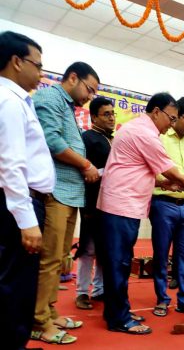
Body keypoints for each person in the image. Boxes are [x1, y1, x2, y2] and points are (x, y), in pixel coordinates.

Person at [96, 92, 184, 335]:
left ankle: (117, 311)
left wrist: (163, 184)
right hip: (121, 206)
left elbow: (143, 167)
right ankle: (118, 318)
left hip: (124, 205)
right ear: (156, 112)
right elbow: (174, 173)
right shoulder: (146, 134)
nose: (172, 123)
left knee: (120, 263)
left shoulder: (138, 129)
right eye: (172, 117)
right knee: (119, 263)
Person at [31, 62, 100, 344]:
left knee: (60, 259)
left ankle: (49, 310)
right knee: (48, 261)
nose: (90, 96)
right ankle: (38, 322)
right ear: (73, 78)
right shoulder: (49, 97)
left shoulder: (68, 106)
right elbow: (52, 141)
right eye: (89, 89)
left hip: (70, 193)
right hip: (55, 190)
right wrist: (86, 164)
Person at [0, 31, 55, 350]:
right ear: (17, 62)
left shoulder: (17, 100)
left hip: (20, 204)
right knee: (15, 288)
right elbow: (11, 164)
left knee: (15, 285)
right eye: (38, 64)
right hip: (17, 206)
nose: (41, 72)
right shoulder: (9, 102)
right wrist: (27, 220)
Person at [150, 98, 184, 317]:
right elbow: (153, 170)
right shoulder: (161, 137)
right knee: (161, 254)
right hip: (163, 203)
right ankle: (162, 299)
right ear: (176, 117)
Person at [74, 97, 115, 310]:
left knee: (105, 249)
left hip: (111, 203)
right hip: (91, 201)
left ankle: (99, 289)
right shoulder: (87, 138)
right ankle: (82, 292)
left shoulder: (113, 139)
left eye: (113, 113)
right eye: (106, 114)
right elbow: (84, 170)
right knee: (88, 249)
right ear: (94, 117)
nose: (111, 117)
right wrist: (106, 172)